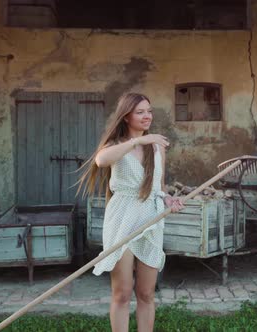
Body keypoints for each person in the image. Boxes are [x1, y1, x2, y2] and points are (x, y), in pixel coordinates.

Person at [77, 92, 184, 332]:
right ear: (126, 116)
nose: (147, 116)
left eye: (149, 111)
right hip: (122, 218)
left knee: (146, 292)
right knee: (122, 293)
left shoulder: (158, 147)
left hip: (150, 218)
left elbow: (160, 186)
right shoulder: (116, 146)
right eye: (140, 112)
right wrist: (137, 142)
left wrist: (168, 199)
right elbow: (101, 161)